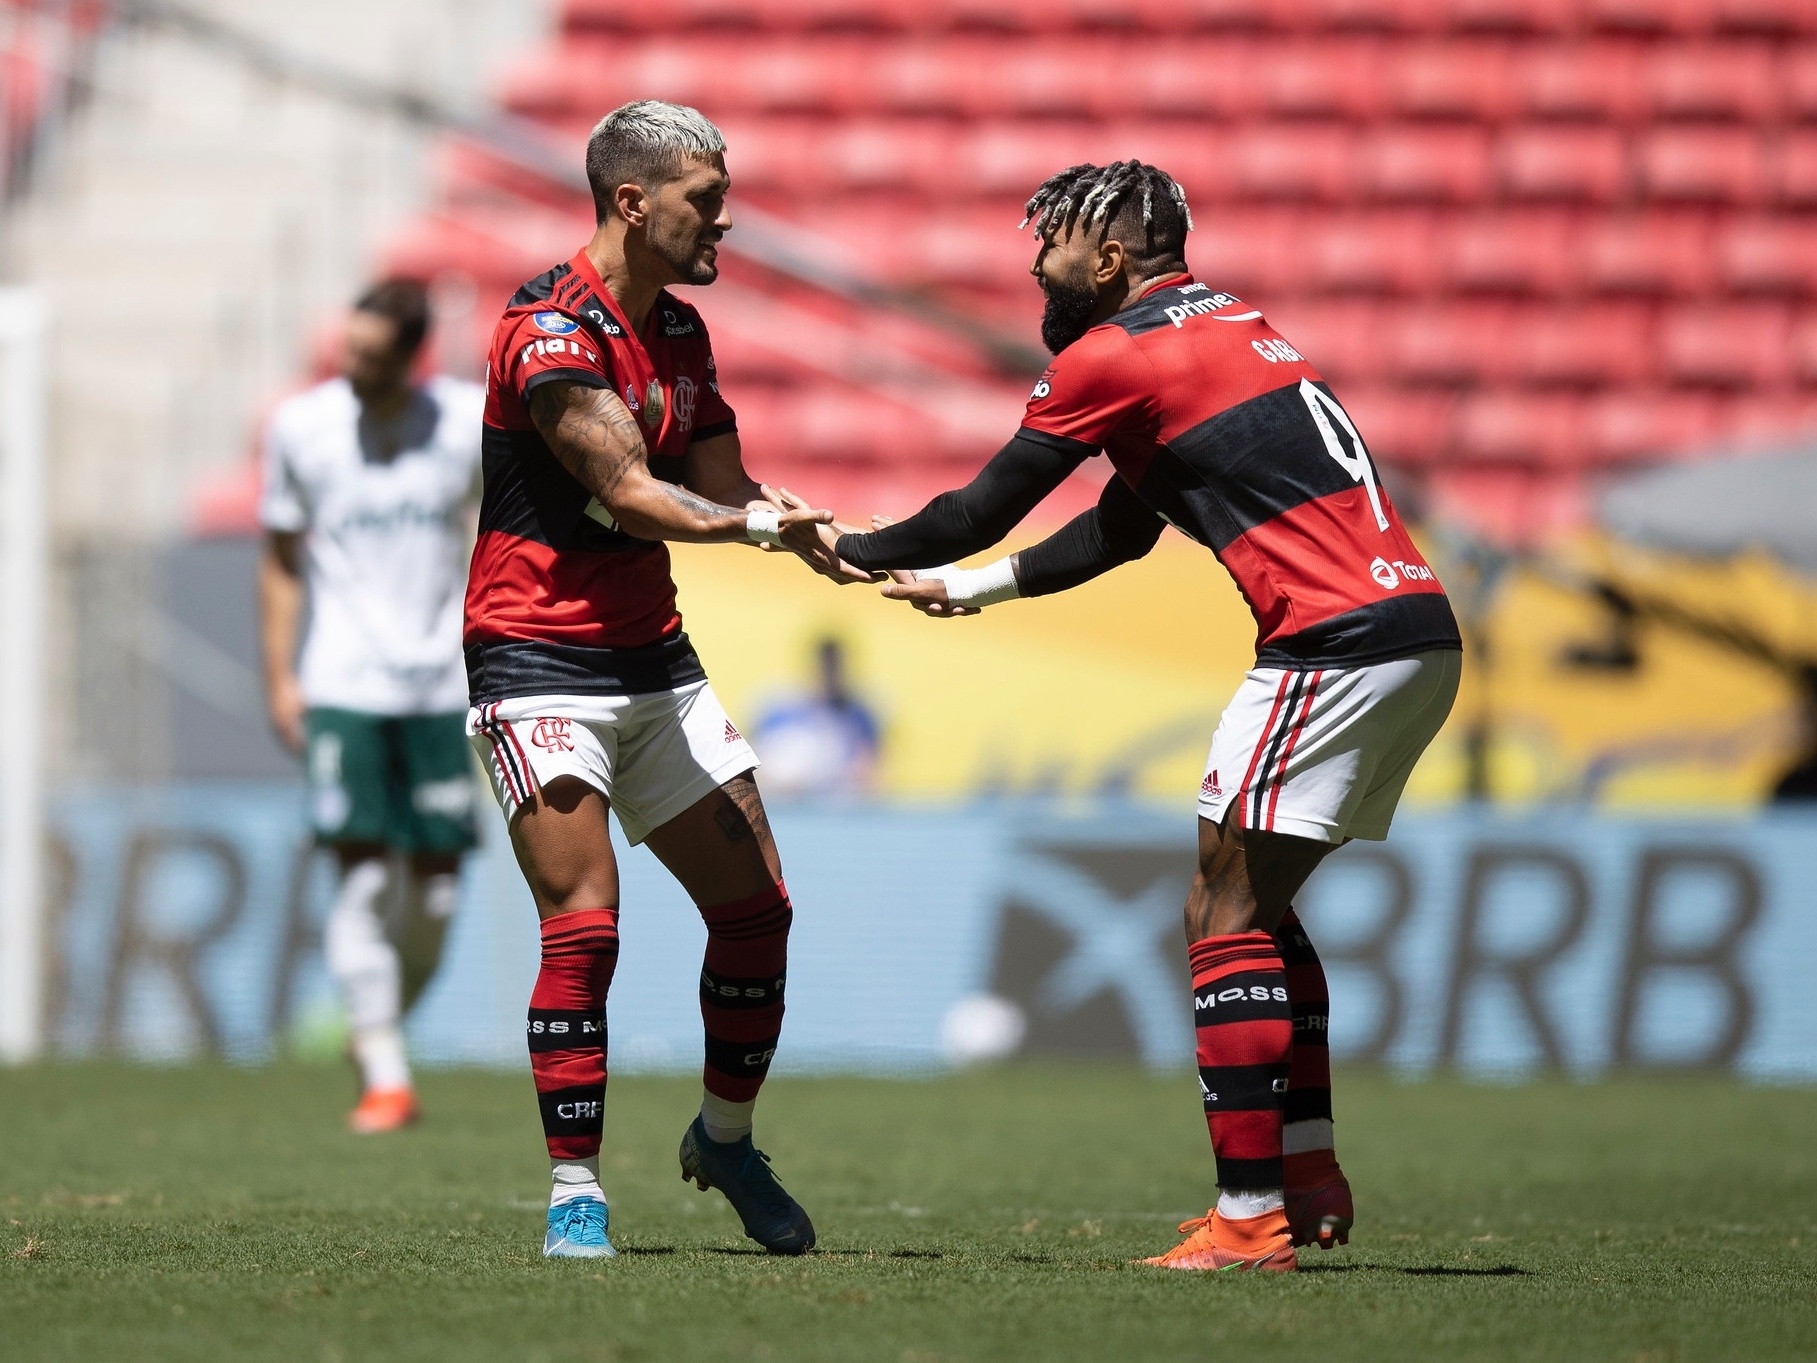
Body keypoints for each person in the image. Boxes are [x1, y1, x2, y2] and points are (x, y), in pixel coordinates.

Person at [826, 161, 1464, 1273]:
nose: (1035, 261)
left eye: (1054, 245)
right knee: (1257, 911)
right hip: (1412, 632)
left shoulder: (1111, 353)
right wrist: (969, 593)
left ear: (1110, 262)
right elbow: (1119, 531)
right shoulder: (1223, 329)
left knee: (1218, 915)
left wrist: (850, 545)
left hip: (1329, 643)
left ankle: (1250, 1219)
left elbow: (981, 506)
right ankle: (1303, 1178)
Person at [463, 100, 851, 1261]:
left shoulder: (680, 332)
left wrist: (826, 533)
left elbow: (732, 485)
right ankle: (574, 1187)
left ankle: (724, 1141)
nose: (725, 218)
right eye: (704, 198)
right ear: (633, 202)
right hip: (535, 658)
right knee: (585, 927)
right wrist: (753, 527)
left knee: (757, 913)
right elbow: (632, 491)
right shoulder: (545, 329)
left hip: (652, 658)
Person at [259, 278, 483, 1135]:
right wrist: (282, 675)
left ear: (411, 358)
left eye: (372, 357)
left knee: (434, 903)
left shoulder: (461, 424)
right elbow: (279, 558)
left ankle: (375, 1029)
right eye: (347, 350)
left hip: (438, 686)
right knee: (359, 875)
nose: (352, 367)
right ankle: (387, 1073)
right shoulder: (302, 428)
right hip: (343, 683)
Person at [754, 637, 882, 799]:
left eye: (835, 668)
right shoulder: (779, 708)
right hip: (784, 805)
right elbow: (756, 767)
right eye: (826, 667)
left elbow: (869, 774)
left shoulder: (859, 715)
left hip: (834, 809)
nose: (830, 675)